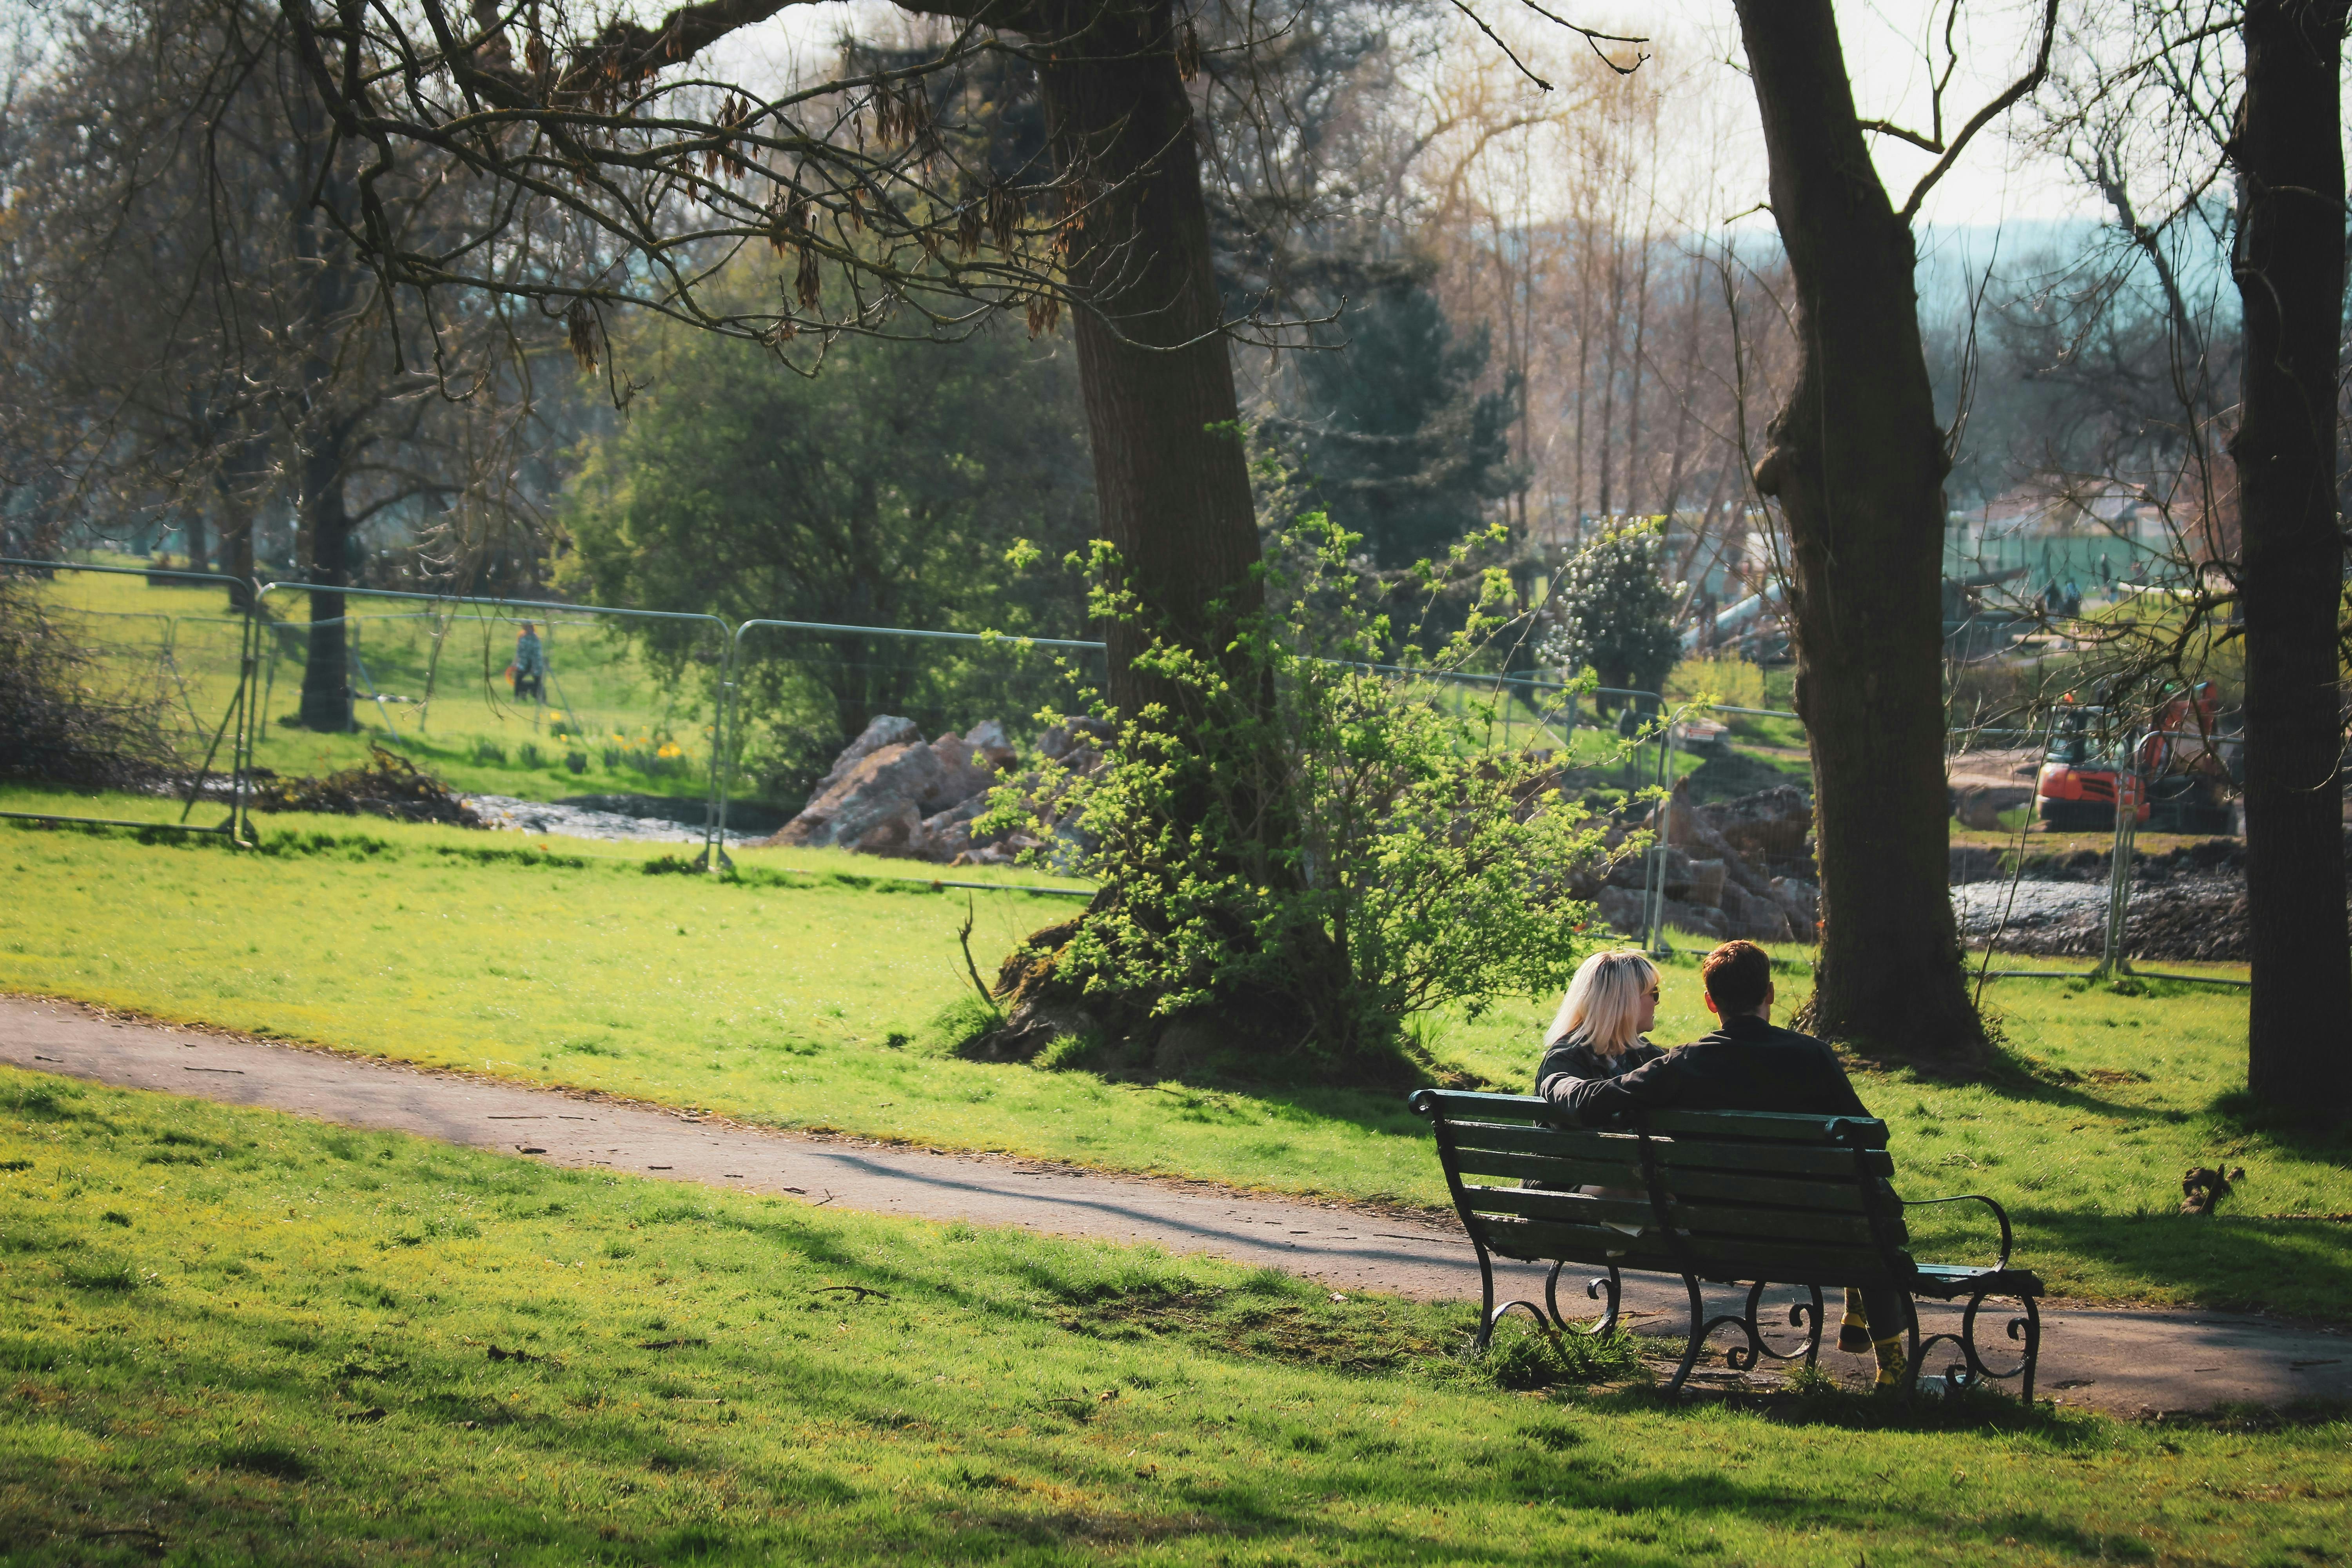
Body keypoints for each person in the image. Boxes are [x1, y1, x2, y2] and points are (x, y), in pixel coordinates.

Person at [1547, 940, 1909, 1389]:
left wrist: (1559, 1084)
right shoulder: (1814, 1056)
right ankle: (1891, 1362)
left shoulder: (1683, 1063)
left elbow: (1600, 1099)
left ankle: (1862, 1302)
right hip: (1820, 1232)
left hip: (1715, 1232)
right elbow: (1865, 1138)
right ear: (1771, 993)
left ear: (1710, 1002)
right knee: (1869, 1212)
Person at [1534, 949, 1666, 1100]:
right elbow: (1576, 1111)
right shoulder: (1567, 1059)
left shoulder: (1644, 1052)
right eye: (1654, 993)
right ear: (1624, 1001)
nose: (1657, 1002)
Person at [509, 622, 546, 703]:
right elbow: (519, 651)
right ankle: (517, 698)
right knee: (518, 679)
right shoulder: (522, 637)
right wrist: (515, 663)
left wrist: (536, 665)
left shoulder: (535, 638)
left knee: (538, 681)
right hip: (524, 662)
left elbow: (536, 652)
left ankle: (543, 700)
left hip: (534, 663)